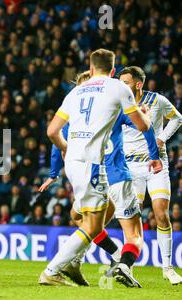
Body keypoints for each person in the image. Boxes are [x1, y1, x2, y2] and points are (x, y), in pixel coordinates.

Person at [39, 49, 151, 286]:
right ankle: (53, 271)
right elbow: (142, 126)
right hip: (92, 164)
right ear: (112, 70)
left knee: (99, 212)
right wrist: (147, 115)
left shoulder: (75, 91)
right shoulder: (118, 87)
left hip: (73, 164)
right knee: (92, 224)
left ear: (90, 70)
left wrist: (65, 147)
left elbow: (51, 131)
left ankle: (76, 261)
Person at [119, 66, 182, 285]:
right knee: (133, 219)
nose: (121, 87)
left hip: (155, 165)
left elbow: (177, 118)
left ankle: (167, 268)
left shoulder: (157, 101)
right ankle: (128, 268)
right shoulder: (119, 104)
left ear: (138, 84)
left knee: (161, 213)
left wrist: (162, 138)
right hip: (130, 168)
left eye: (125, 83)